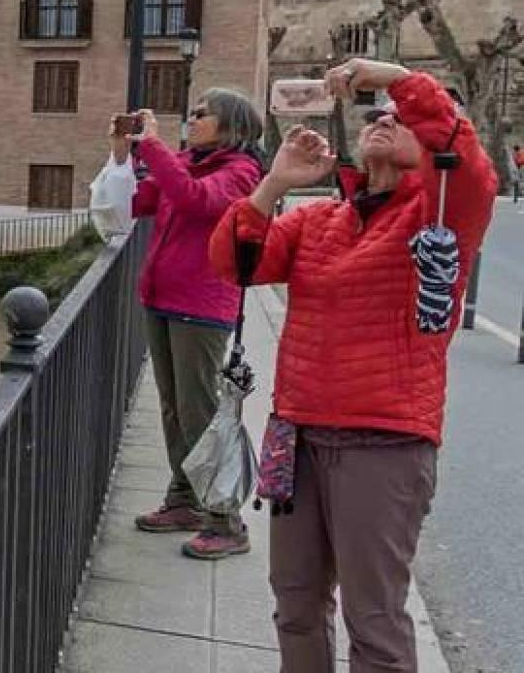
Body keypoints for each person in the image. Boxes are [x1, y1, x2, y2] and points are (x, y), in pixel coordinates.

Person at [209, 59, 497, 673]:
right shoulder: (317, 220)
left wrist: (393, 77)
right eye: (375, 118)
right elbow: (237, 265)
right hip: (299, 437)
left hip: (384, 444)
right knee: (296, 606)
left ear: (427, 148)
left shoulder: (441, 217)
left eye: (399, 120)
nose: (383, 121)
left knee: (374, 621)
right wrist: (274, 184)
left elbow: (463, 149)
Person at [113, 87, 265, 560]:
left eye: (203, 114)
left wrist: (154, 148)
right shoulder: (187, 162)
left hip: (201, 305)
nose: (192, 119)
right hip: (161, 299)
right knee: (174, 408)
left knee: (200, 413)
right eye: (193, 111)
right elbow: (139, 202)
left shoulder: (241, 172)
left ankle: (226, 520)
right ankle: (184, 499)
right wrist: (122, 155)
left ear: (231, 125)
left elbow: (197, 201)